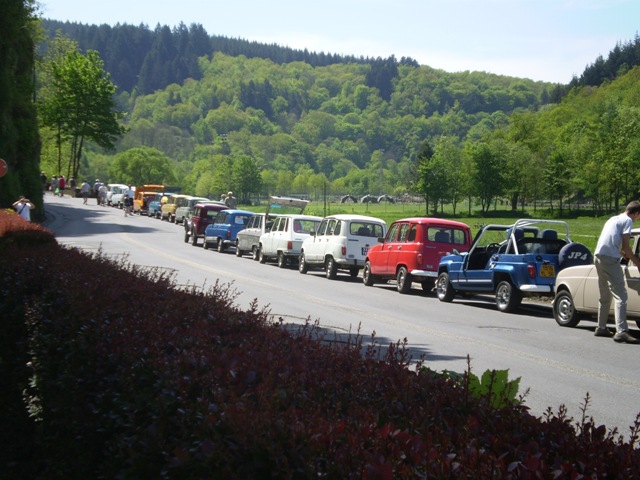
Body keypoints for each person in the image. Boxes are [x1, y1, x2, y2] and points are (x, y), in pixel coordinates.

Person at [593, 200, 640, 344]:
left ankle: (601, 327)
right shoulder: (628, 221)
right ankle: (622, 331)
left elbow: (610, 241)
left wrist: (621, 254)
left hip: (598, 256)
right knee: (621, 295)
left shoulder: (613, 219)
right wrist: (637, 262)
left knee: (605, 294)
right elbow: (627, 245)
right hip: (610, 260)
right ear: (637, 213)